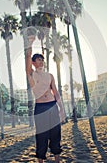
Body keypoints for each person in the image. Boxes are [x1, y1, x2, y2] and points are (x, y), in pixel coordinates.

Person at [26, 35, 66, 163]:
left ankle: (57, 160)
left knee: (55, 134)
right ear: (33, 63)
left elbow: (56, 92)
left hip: (52, 106)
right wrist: (30, 44)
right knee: (42, 136)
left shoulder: (50, 75)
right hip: (40, 108)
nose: (41, 61)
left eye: (42, 60)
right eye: (38, 60)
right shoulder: (31, 74)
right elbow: (27, 57)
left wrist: (61, 109)